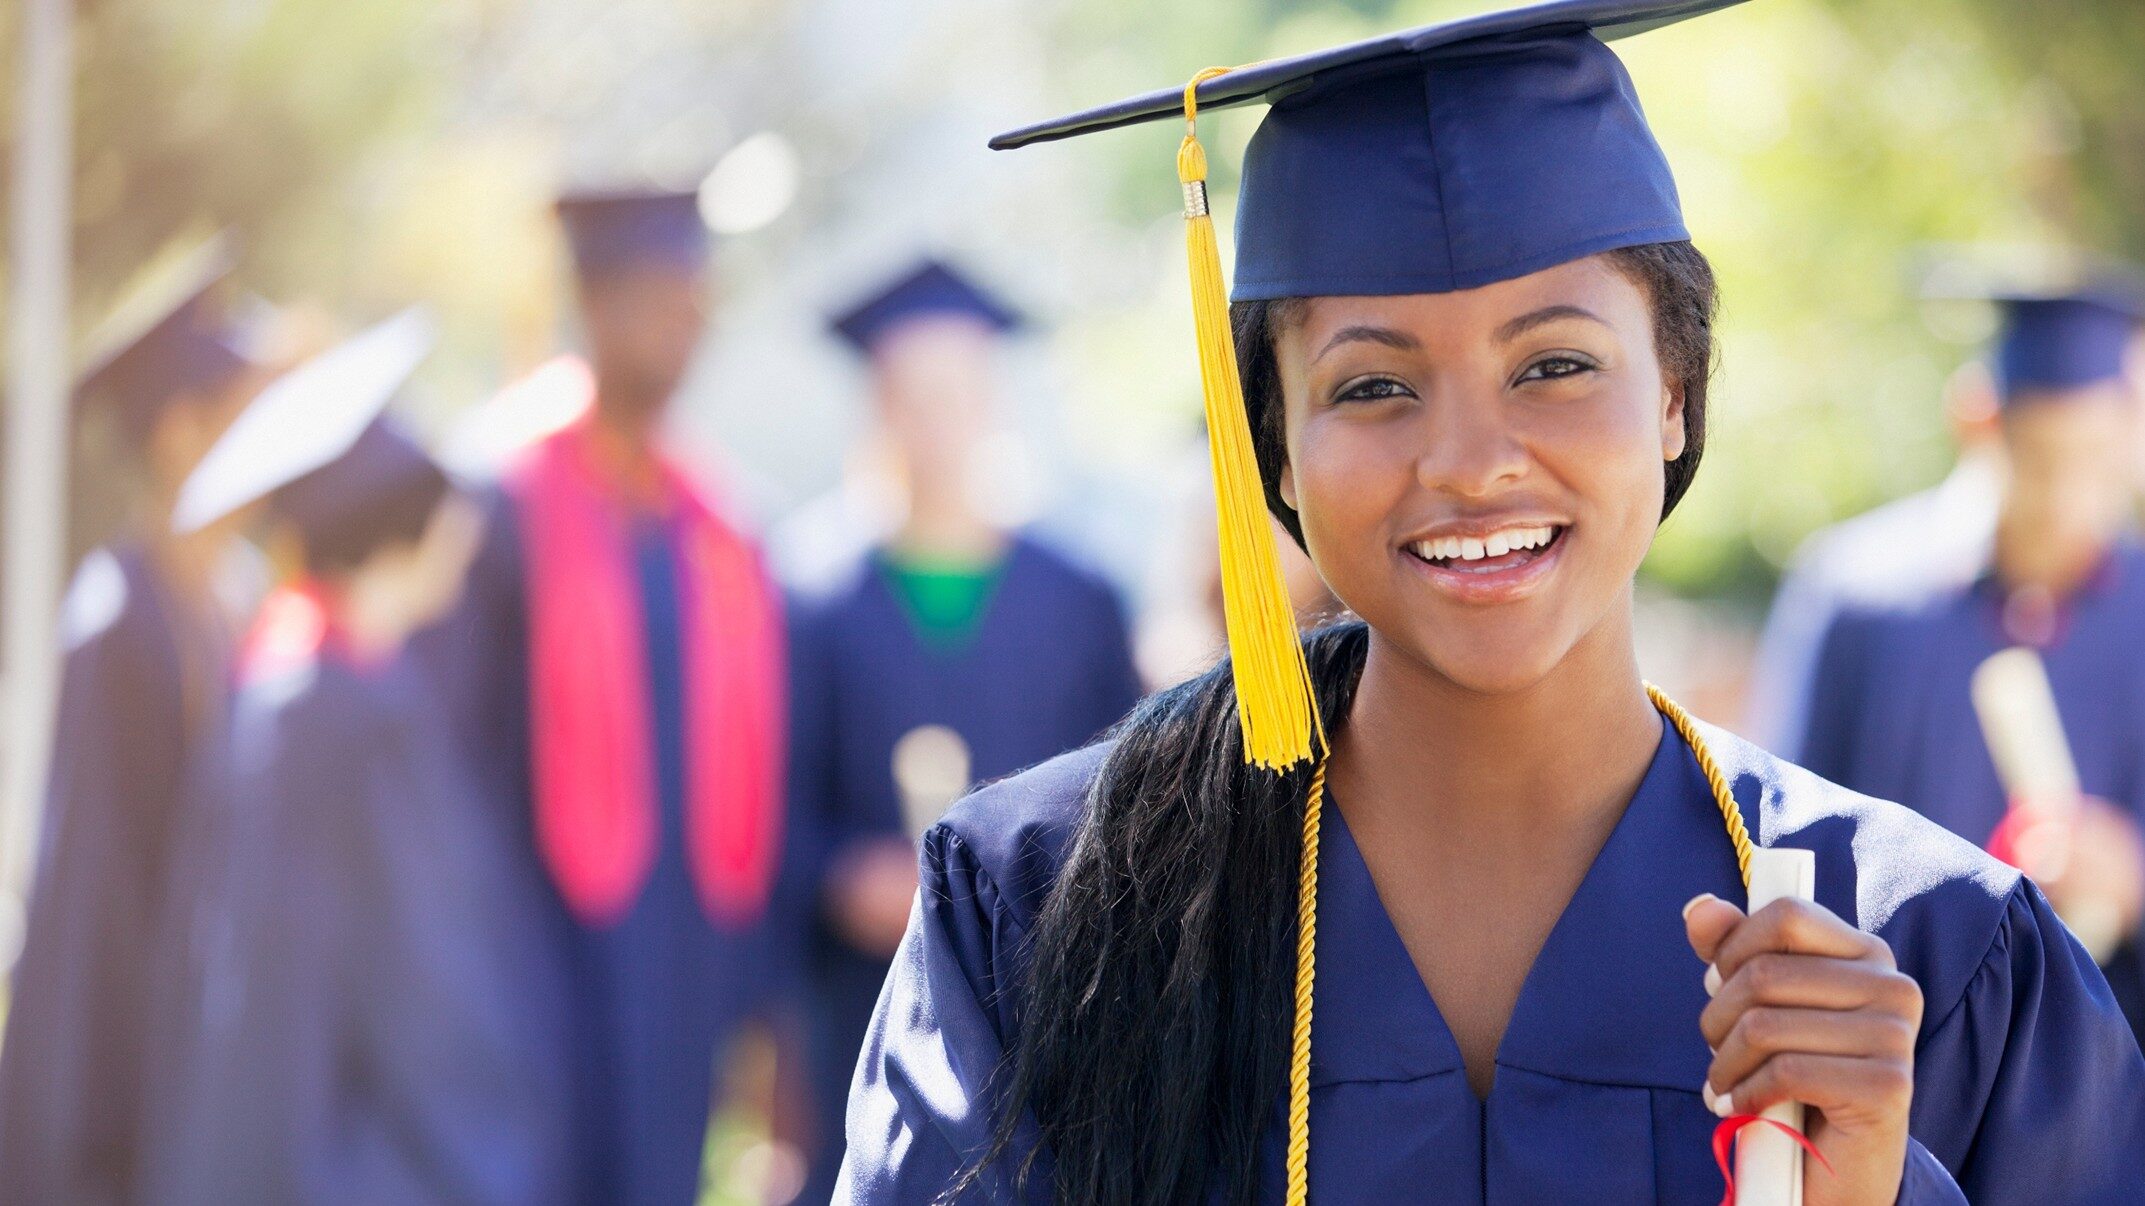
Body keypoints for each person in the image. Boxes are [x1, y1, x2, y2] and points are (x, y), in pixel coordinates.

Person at [838, 2, 2145, 1202]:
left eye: (1556, 363)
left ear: (1677, 392)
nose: (1470, 459)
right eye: (1371, 386)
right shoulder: (1038, 910)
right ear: (1272, 445)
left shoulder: (1937, 958)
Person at [137, 310, 574, 1203]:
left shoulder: (346, 685)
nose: (468, 525)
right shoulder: (323, 715)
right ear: (398, 522)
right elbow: (284, 1016)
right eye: (446, 504)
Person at [421, 187, 788, 1205]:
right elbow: (447, 764)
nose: (690, 323)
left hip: (680, 972)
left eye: (698, 299)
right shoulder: (499, 500)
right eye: (664, 298)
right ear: (596, 305)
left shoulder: (715, 522)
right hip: (535, 963)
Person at [786, 259, 1144, 1201]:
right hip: (857, 1011)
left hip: (1044, 1004)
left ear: (992, 403)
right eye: (912, 398)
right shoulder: (809, 603)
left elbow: (1130, 802)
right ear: (876, 410)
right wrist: (835, 872)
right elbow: (770, 811)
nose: (936, 425)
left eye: (957, 396)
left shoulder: (1078, 599)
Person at [0, 239, 271, 1206]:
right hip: (127, 1125)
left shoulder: (237, 597)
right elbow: (91, 932)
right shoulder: (116, 629)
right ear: (179, 433)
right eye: (246, 408)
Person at [1800, 283, 2145, 1039]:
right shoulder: (1860, 595)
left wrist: (2130, 875)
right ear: (1980, 420)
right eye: (2040, 457)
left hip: (2100, 1062)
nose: (2066, 500)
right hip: (1892, 1048)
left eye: (2093, 458)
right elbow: (1779, 834)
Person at [1746, 362, 2001, 759]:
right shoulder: (1853, 585)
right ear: (1977, 420)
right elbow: (1785, 779)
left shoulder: (2130, 607)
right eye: (2043, 450)